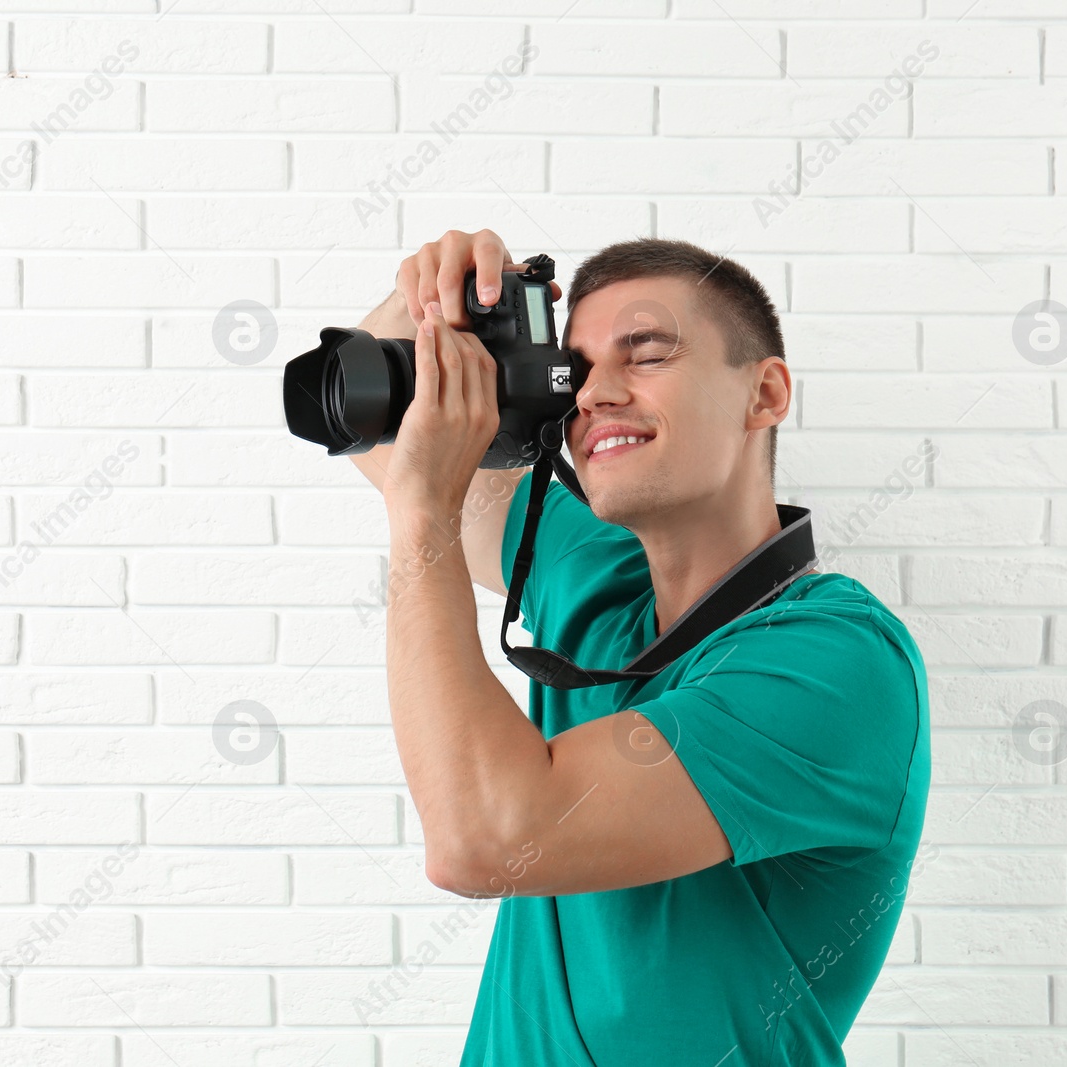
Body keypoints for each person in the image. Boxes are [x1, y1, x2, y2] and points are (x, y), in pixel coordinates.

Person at [349, 228, 931, 1066]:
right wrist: (437, 301)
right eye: (575, 373)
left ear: (764, 393)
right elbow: (380, 435)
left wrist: (423, 512)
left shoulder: (840, 664)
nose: (593, 397)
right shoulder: (593, 575)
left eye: (647, 354)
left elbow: (483, 837)